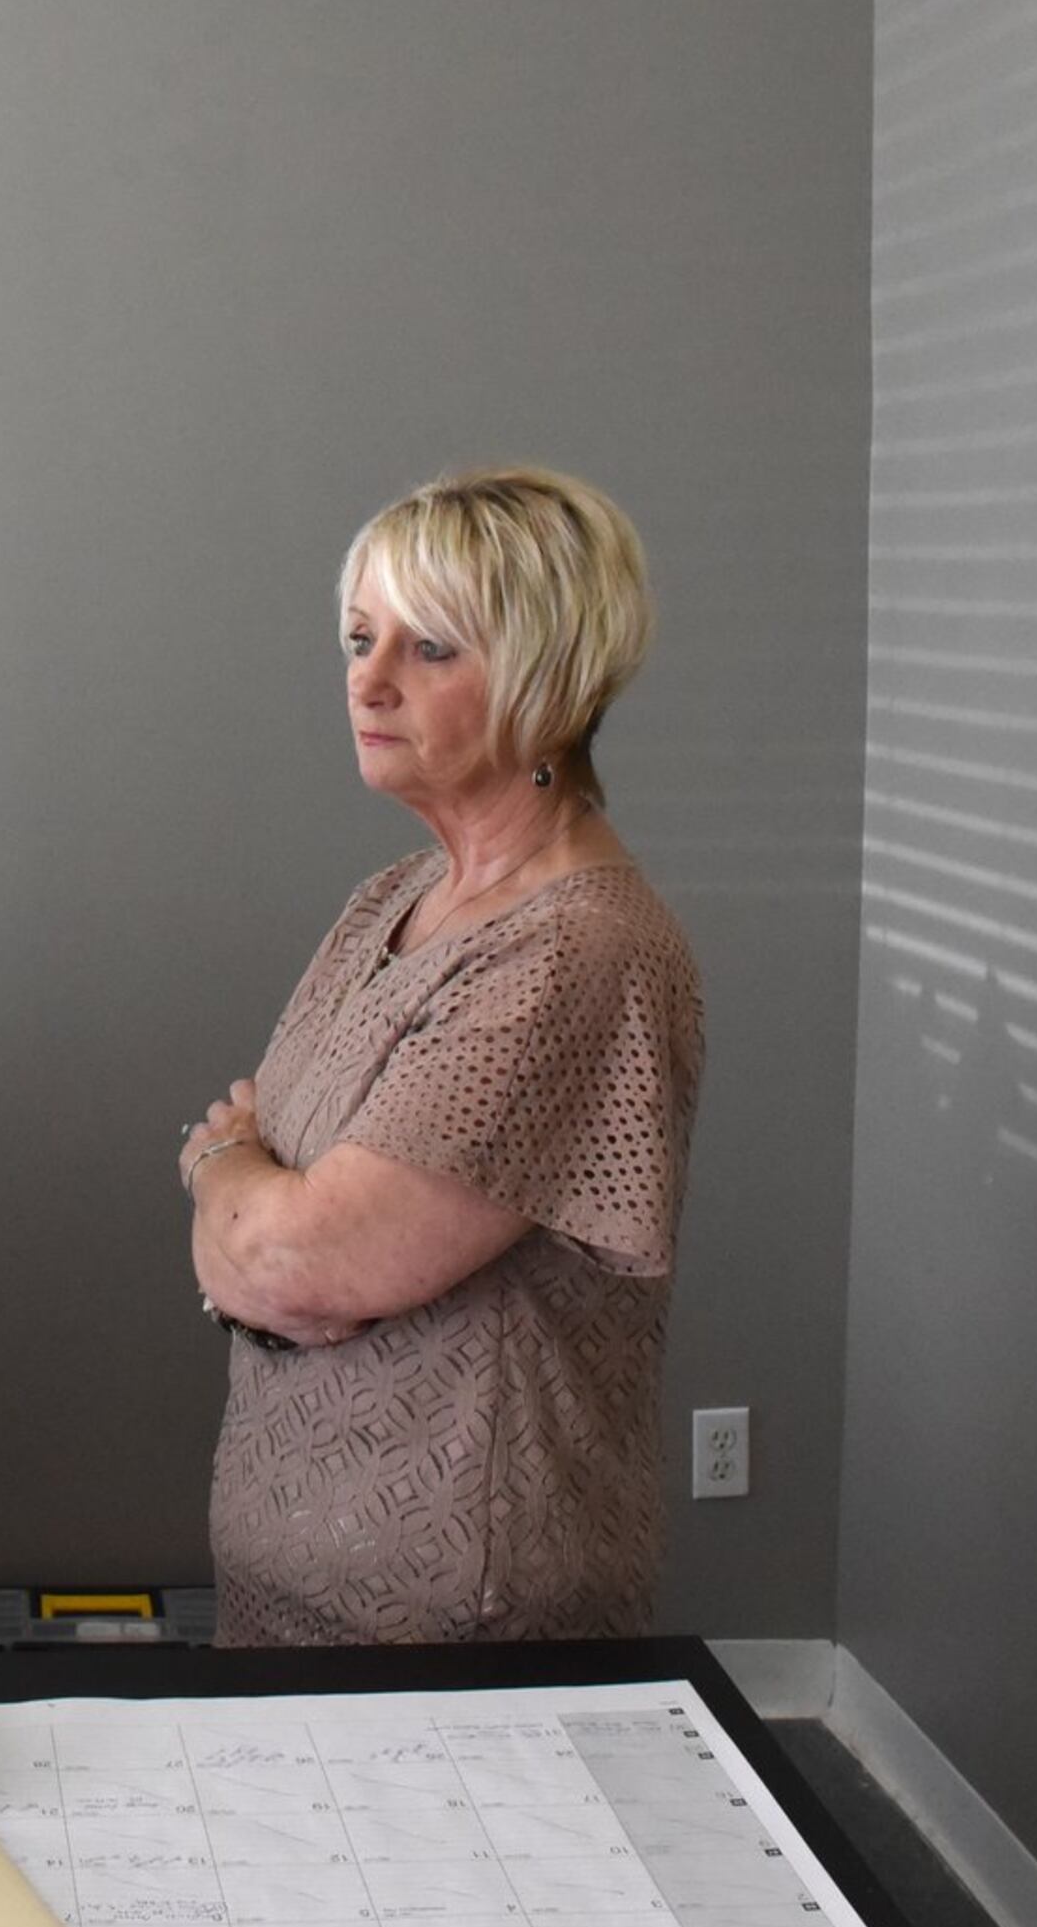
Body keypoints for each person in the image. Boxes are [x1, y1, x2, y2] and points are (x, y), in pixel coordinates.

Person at [183, 467, 704, 1646]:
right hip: (289, 1575)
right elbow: (275, 1227)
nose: (367, 680)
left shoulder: (576, 951)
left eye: (430, 649)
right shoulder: (394, 899)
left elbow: (293, 1260)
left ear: (549, 677)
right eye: (361, 637)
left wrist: (218, 1160)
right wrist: (246, 1181)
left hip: (460, 1610)